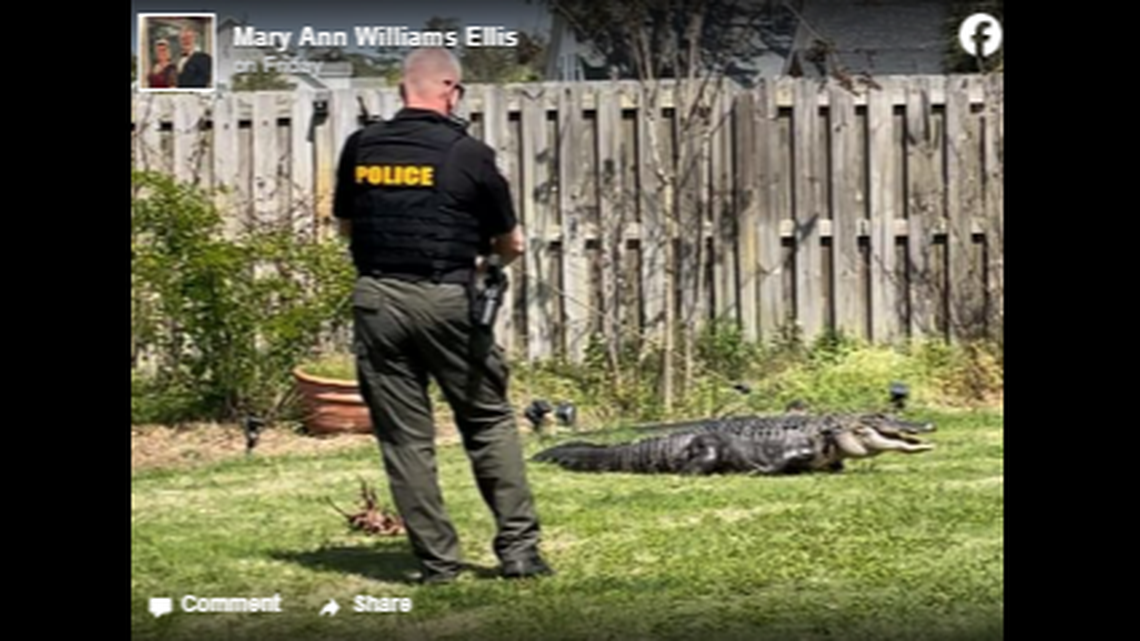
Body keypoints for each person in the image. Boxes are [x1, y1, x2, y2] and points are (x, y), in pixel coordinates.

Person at [332, 47, 553, 584]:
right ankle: (519, 551)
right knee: (486, 419)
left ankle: (438, 563)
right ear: (450, 89)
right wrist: (488, 259)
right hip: (448, 299)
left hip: (378, 300)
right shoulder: (468, 153)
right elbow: (513, 242)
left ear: (403, 88)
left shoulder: (360, 147)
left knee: (405, 437)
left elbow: (345, 227)